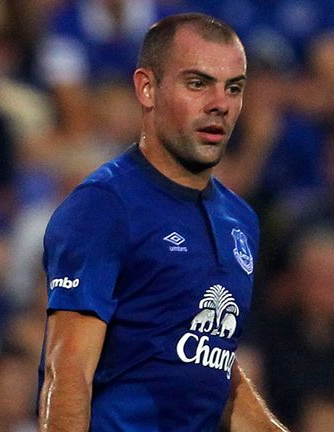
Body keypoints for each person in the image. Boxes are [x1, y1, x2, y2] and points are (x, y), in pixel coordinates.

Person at [38, 13, 288, 431]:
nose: (219, 104)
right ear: (147, 88)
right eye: (198, 83)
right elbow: (67, 375)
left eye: (234, 88)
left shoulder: (240, 220)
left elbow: (212, 371)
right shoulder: (105, 206)